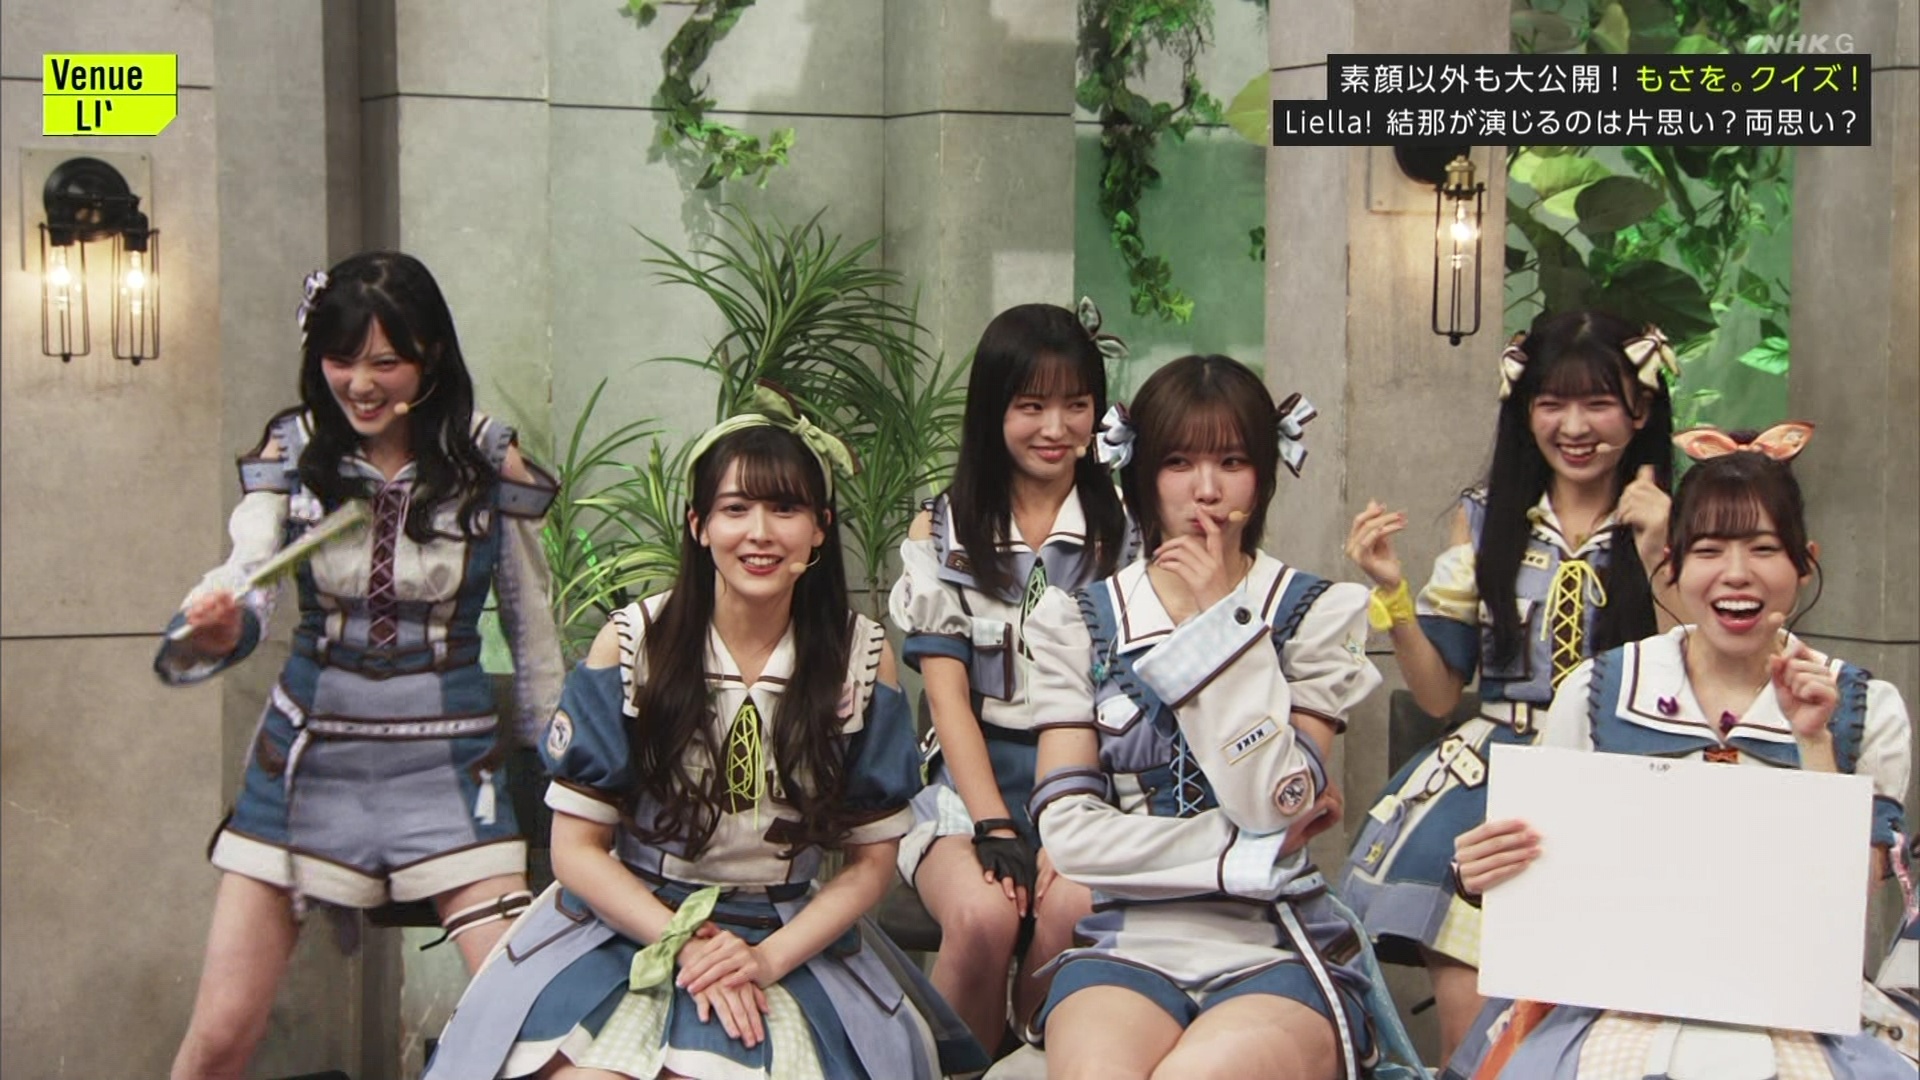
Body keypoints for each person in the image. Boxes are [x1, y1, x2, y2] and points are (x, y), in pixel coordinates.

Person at [423, 388, 986, 1080]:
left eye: (785, 509)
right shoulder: (633, 645)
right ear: (698, 524)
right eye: (735, 509)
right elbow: (576, 850)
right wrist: (687, 946)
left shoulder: (860, 660)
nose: (760, 533)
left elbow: (871, 863)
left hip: (786, 934)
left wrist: (763, 961)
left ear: (819, 528)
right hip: (629, 923)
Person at [154, 251, 566, 1080]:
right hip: (306, 767)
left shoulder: (484, 459)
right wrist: (216, 620)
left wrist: (561, 772)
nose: (361, 383)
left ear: (431, 356)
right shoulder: (295, 451)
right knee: (221, 1036)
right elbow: (247, 578)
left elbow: (533, 631)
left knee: (527, 1032)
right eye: (342, 360)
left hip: (449, 771)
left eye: (386, 361)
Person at [1447, 423, 1916, 1079]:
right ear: (1672, 563)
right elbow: (1540, 879)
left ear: (1804, 562)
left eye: (1763, 549)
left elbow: (1847, 904)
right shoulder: (1601, 690)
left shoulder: (1862, 706)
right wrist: (1478, 872)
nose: (1736, 575)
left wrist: (1813, 740)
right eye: (1709, 550)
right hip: (1613, 1001)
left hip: (1792, 1005)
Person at [1022, 354, 1384, 1080]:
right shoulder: (1078, 622)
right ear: (1142, 472)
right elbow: (1069, 835)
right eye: (1179, 462)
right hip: (1125, 941)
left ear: (1265, 474)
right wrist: (1245, 854)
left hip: (1274, 942)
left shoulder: (1314, 613)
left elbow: (1274, 801)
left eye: (1233, 462)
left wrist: (1224, 629)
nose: (1207, 490)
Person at [1339, 310, 1677, 1059]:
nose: (1574, 427)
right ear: (1525, 411)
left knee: (1606, 1034)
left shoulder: (1680, 527)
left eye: (1598, 403)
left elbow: (1692, 667)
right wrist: (1393, 595)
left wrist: (1660, 552)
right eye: (1552, 403)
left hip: (1627, 785)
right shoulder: (1484, 521)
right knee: (1477, 1040)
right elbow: (1437, 695)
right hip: (1492, 787)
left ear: (1641, 409)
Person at [888, 300, 1134, 1051]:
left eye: (1076, 405)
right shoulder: (944, 529)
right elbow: (946, 700)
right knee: (983, 917)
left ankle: (1031, 1059)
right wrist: (994, 823)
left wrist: (1070, 823)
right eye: (1031, 406)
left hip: (1094, 786)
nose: (1056, 428)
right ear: (993, 409)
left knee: (1071, 911)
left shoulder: (1129, 531)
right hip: (969, 784)